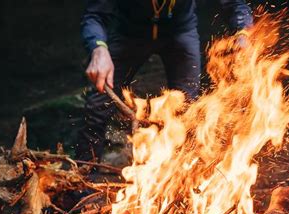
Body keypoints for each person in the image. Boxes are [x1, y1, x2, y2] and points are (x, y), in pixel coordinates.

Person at [76, 0, 253, 161]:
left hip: (180, 32)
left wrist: (243, 32)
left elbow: (234, 4)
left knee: (187, 109)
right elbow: (95, 15)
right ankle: (83, 177)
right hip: (130, 34)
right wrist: (98, 47)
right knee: (97, 106)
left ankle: (182, 180)